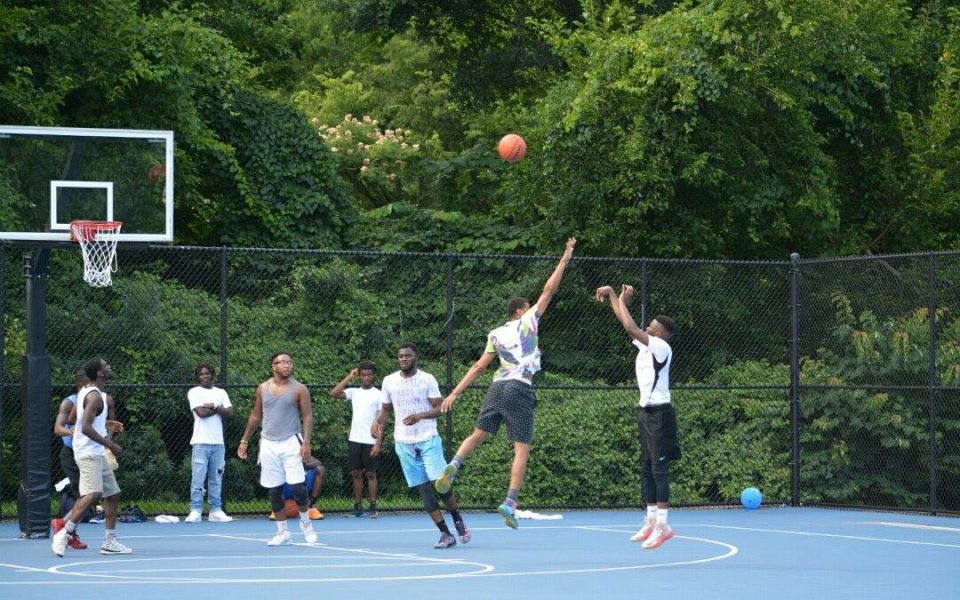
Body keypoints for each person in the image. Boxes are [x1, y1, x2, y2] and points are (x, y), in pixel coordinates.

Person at [436, 238, 577, 529]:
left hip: (496, 387)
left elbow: (478, 367)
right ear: (520, 311)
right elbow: (549, 289)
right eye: (528, 306)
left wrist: (454, 393)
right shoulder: (529, 321)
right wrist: (565, 257)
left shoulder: (496, 333)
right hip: (519, 387)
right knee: (521, 448)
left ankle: (454, 465)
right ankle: (510, 502)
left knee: (478, 434)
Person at [595, 284, 678, 549]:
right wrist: (614, 295)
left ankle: (663, 525)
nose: (648, 328)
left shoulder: (660, 347)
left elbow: (631, 328)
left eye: (651, 327)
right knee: (646, 468)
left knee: (659, 471)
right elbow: (626, 322)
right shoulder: (646, 346)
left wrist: (620, 298)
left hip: (661, 415)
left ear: (660, 333)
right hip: (646, 413)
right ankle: (651, 521)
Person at [372, 343, 469, 548]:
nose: (403, 359)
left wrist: (420, 416)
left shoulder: (427, 379)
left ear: (416, 356)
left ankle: (457, 519)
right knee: (423, 489)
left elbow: (440, 408)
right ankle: (445, 534)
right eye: (400, 356)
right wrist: (377, 421)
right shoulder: (389, 381)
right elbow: (386, 409)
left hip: (428, 438)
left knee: (440, 484)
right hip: (403, 442)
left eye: (407, 356)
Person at [52, 358, 131, 556]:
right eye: (106, 366)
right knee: (92, 494)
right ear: (100, 373)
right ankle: (64, 533)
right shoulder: (94, 397)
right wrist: (111, 445)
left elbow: (74, 419)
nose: (110, 366)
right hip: (87, 452)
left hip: (96, 452)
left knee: (112, 495)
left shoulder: (88, 393)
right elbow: (85, 428)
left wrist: (104, 425)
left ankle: (109, 542)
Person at [238, 351, 318, 546]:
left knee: (298, 488)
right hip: (268, 443)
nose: (287, 365)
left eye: (289, 362)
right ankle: (282, 532)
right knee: (274, 490)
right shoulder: (262, 388)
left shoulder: (300, 389)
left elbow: (307, 416)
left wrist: (306, 442)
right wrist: (244, 440)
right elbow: (256, 416)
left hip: (291, 441)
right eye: (282, 362)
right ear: (273, 366)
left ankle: (306, 525)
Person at [329, 362, 384, 518]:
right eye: (363, 375)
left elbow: (382, 421)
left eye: (369, 375)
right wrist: (349, 376)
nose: (366, 378)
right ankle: (358, 507)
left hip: (371, 441)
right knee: (356, 473)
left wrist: (378, 443)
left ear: (373, 376)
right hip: (354, 439)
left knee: (371, 474)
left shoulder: (379, 395)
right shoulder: (354, 392)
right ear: (359, 376)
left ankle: (373, 507)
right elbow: (334, 393)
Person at [186, 362, 235, 523]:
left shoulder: (221, 392)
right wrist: (219, 409)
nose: (205, 376)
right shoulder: (194, 392)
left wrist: (213, 406)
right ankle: (196, 510)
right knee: (198, 477)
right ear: (197, 377)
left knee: (216, 477)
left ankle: (215, 510)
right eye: (201, 374)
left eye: (207, 373)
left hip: (218, 443)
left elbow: (230, 413)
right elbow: (200, 412)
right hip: (200, 441)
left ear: (212, 375)